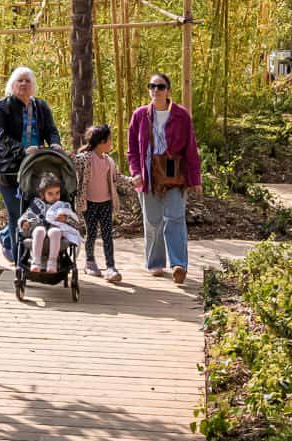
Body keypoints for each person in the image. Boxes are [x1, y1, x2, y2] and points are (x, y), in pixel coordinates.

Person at [127, 72, 202, 285]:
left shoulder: (181, 115)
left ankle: (179, 264)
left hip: (175, 173)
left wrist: (195, 179)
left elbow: (191, 149)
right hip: (149, 174)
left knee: (176, 218)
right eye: (152, 86)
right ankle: (155, 263)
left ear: (168, 90)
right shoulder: (140, 115)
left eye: (160, 86)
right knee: (152, 221)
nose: (156, 91)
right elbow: (132, 149)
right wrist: (136, 172)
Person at [0, 66, 62, 262]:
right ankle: (17, 256)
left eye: (27, 81)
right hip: (7, 167)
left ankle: (6, 236)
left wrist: (55, 143)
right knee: (16, 211)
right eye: (19, 80)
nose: (23, 84)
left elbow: (50, 129)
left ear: (33, 86)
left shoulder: (41, 106)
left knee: (31, 209)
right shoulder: (2, 106)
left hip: (35, 165)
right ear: (12, 85)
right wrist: (21, 150)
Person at [75, 124, 125, 284]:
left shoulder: (109, 161)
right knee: (91, 233)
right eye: (109, 140)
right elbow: (71, 161)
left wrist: (133, 181)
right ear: (101, 141)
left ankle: (111, 267)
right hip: (89, 203)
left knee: (107, 235)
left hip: (106, 203)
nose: (111, 143)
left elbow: (117, 178)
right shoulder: (86, 158)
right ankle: (89, 262)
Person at [19, 173, 80, 272]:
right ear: (42, 195)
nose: (55, 196)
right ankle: (36, 261)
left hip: (55, 229)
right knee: (39, 230)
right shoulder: (37, 205)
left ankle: (52, 262)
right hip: (38, 228)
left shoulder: (63, 206)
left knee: (55, 232)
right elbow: (26, 215)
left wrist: (66, 219)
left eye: (57, 193)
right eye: (50, 194)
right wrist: (24, 222)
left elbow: (75, 222)